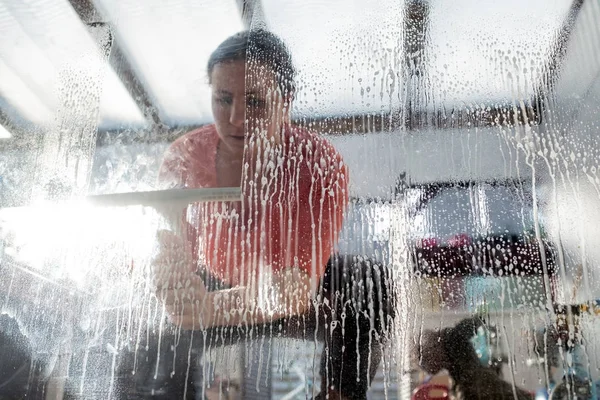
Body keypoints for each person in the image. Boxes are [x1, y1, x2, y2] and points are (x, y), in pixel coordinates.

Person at [114, 30, 395, 400]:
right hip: (216, 285)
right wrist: (176, 292)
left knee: (373, 284)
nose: (235, 119)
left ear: (286, 102)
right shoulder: (184, 156)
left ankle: (336, 394)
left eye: (255, 103)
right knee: (141, 341)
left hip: (298, 297)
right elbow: (174, 271)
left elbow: (296, 290)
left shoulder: (321, 163)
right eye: (223, 99)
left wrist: (206, 309)